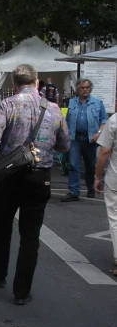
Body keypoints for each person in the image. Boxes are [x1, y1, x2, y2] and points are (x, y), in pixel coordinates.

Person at [0, 64, 70, 305]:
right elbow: (65, 145)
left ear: (13, 83)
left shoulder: (8, 104)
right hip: (40, 176)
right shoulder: (53, 109)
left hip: (10, 174)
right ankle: (21, 291)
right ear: (37, 82)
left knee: (2, 226)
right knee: (31, 235)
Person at [61, 78, 107, 202]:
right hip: (75, 138)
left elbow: (104, 120)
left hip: (91, 139)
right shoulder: (72, 103)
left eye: (87, 87)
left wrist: (98, 133)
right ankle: (74, 191)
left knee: (90, 166)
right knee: (73, 165)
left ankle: (91, 187)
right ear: (78, 89)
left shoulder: (98, 103)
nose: (85, 90)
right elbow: (66, 121)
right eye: (82, 88)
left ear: (90, 88)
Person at [94, 113, 117, 276]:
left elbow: (104, 152)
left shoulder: (114, 120)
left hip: (115, 179)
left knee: (115, 218)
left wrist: (97, 176)